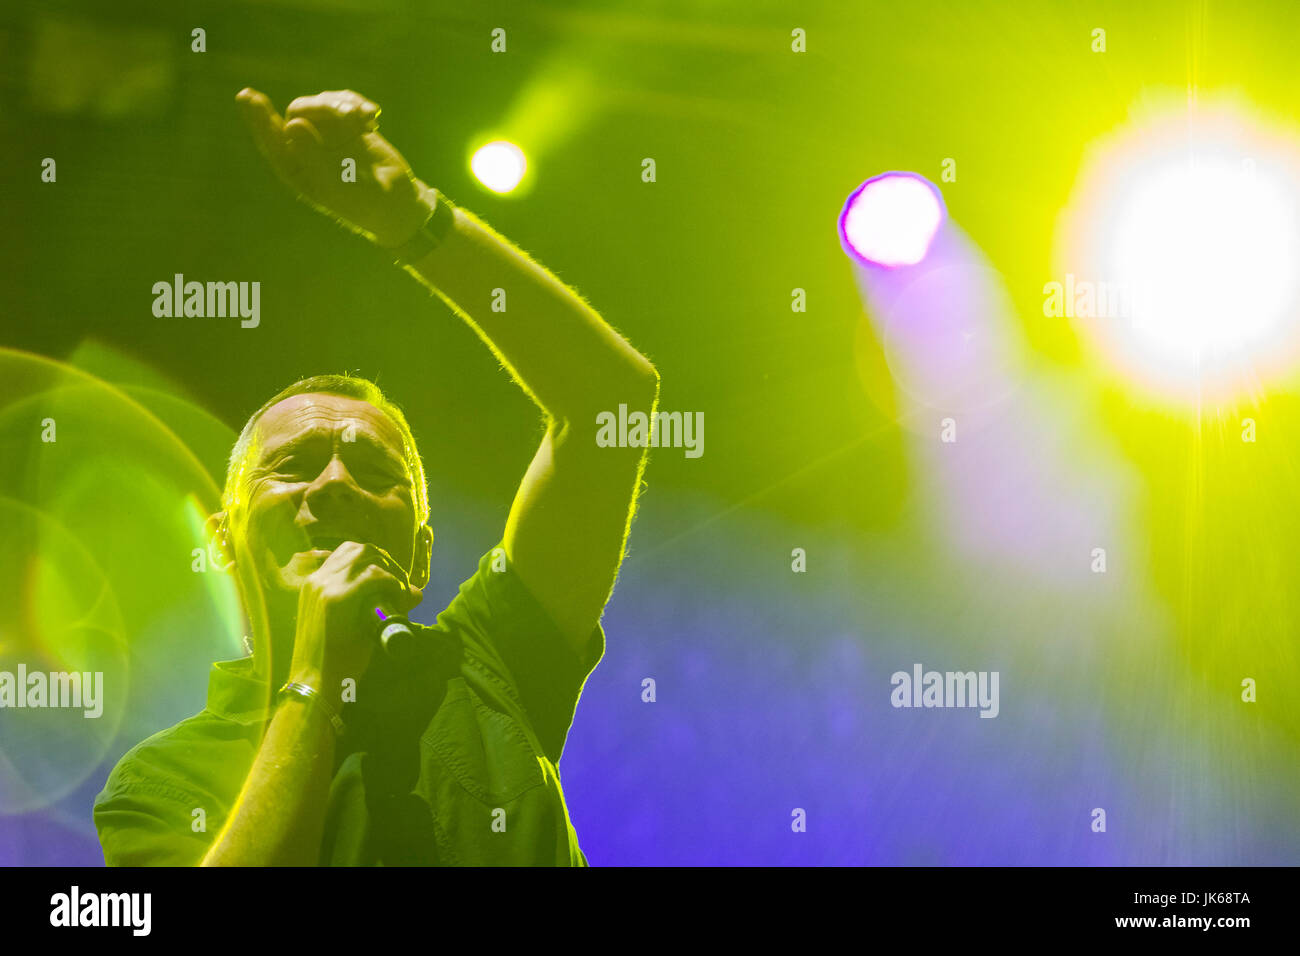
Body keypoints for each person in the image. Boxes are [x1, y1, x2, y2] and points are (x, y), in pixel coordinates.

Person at [92, 88, 659, 865]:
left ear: (421, 558)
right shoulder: (158, 781)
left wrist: (414, 221)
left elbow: (610, 403)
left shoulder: (489, 665)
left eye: (371, 467)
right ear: (224, 546)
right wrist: (312, 686)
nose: (333, 484)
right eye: (293, 466)